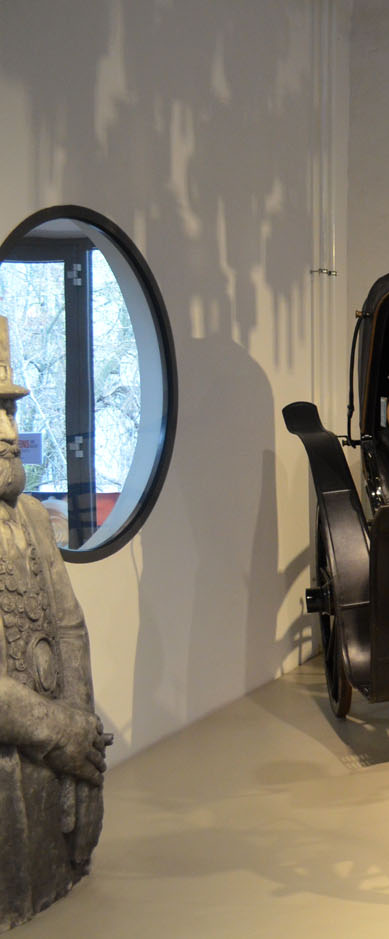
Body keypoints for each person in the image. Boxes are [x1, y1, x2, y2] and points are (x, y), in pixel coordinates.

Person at [0, 316, 107, 931]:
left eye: (11, 412)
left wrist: (82, 741)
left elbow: (69, 630)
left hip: (51, 771)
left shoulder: (36, 519)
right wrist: (58, 731)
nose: (9, 434)